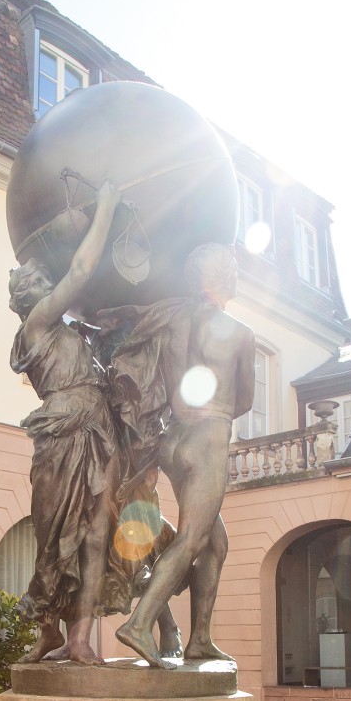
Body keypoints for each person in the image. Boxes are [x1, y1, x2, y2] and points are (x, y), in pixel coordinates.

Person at [114, 243, 255, 668]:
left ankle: (200, 640)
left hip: (172, 439)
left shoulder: (169, 319)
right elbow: (243, 400)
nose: (234, 276)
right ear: (221, 280)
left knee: (216, 541)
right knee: (194, 538)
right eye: (230, 271)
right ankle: (140, 624)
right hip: (209, 436)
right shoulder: (241, 332)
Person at [8, 180, 121, 665]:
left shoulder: (70, 331)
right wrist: (107, 208)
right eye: (32, 284)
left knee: (97, 534)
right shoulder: (35, 325)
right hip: (61, 432)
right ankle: (49, 630)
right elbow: (80, 269)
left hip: (97, 426)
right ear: (21, 300)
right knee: (54, 536)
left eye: (40, 281)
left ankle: (79, 639)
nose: (43, 286)